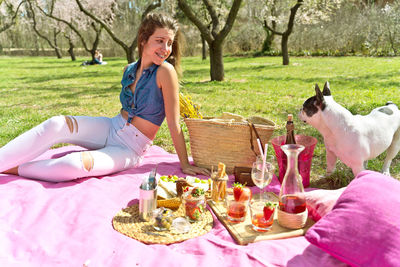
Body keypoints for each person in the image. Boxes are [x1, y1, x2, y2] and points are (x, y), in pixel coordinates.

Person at [0, 13, 210, 182]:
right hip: (111, 127)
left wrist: (185, 164)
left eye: (169, 43)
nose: (165, 49)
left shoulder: (166, 71)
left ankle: (15, 168)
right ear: (143, 40)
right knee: (57, 123)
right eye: (160, 41)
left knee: (72, 165)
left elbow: (174, 123)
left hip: (129, 148)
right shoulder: (129, 69)